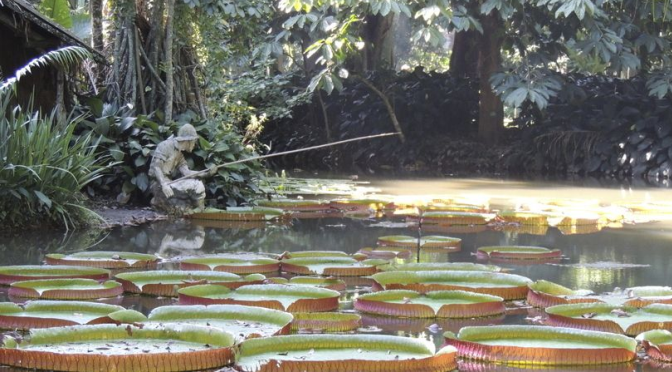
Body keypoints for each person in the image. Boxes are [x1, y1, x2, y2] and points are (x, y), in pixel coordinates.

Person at [149, 124, 215, 215]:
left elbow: (187, 172)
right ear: (188, 140)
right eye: (194, 141)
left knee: (198, 184)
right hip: (159, 184)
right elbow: (156, 167)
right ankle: (200, 212)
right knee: (197, 185)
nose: (194, 144)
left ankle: (197, 211)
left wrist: (206, 173)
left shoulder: (179, 154)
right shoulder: (165, 146)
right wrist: (164, 184)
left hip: (169, 183)